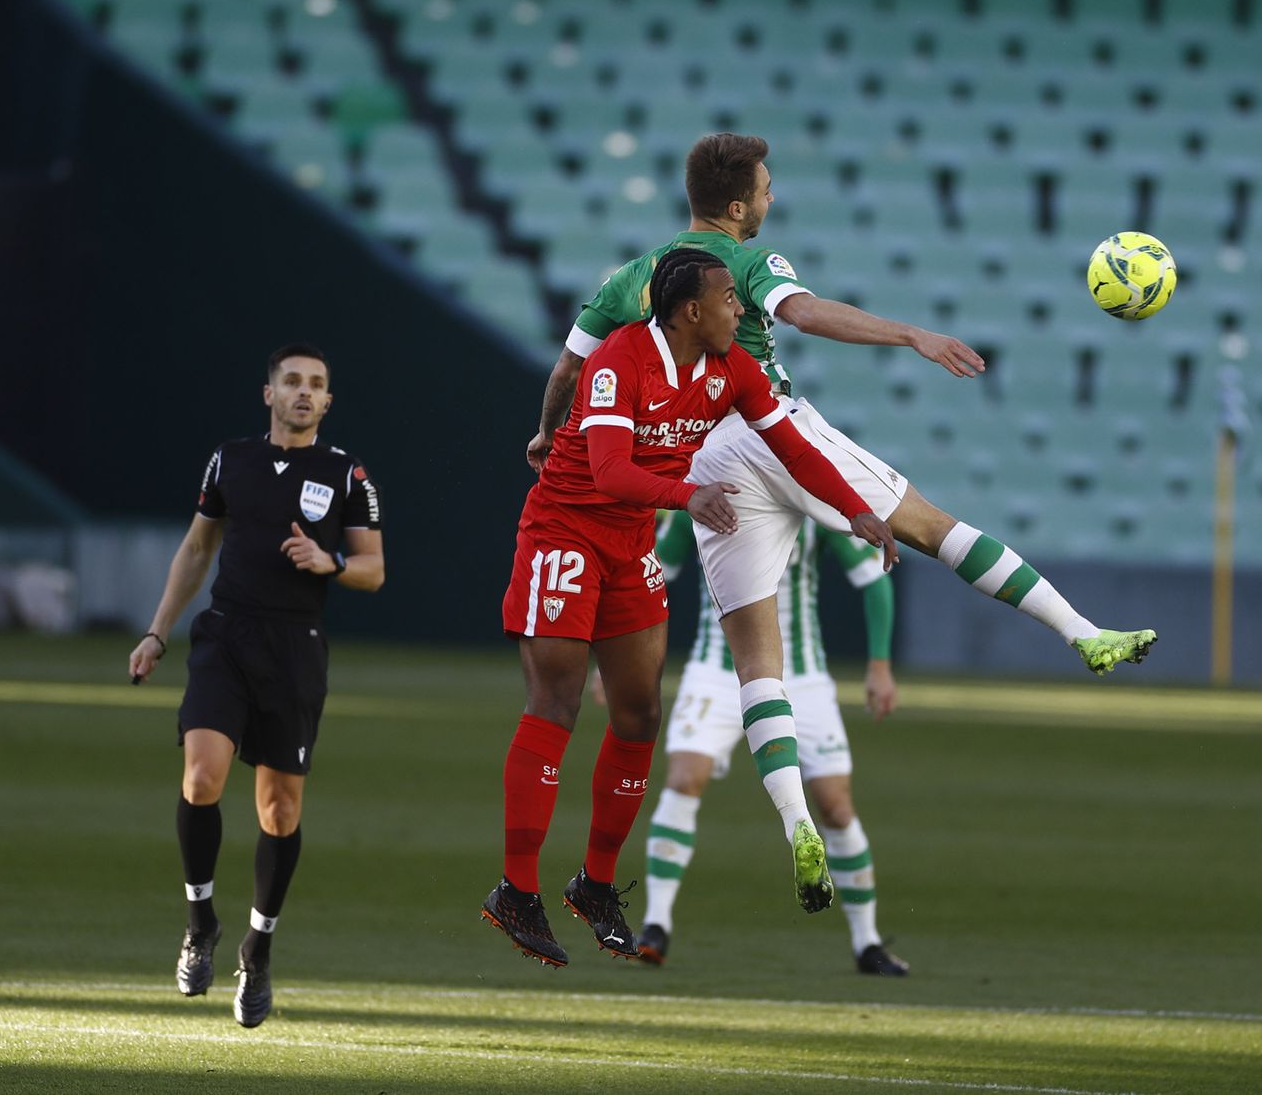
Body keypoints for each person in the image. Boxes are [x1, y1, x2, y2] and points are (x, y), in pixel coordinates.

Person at [524, 135, 1155, 890]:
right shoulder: (745, 267)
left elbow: (569, 364)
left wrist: (545, 432)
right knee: (933, 525)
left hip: (706, 463)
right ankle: (1084, 634)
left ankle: (797, 825)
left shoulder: (634, 275)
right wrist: (911, 333)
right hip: (768, 428)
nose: (770, 198)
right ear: (735, 206)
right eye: (764, 188)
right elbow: (807, 313)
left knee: (755, 653)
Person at [486, 249, 898, 968]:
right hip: (567, 528)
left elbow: (792, 447)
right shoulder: (619, 359)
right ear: (690, 311)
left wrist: (856, 509)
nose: (741, 309)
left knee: (640, 713)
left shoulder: (733, 366)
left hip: (630, 540)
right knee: (556, 700)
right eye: (729, 299)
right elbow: (611, 470)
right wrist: (688, 495)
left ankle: (596, 882)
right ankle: (518, 889)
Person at [128, 343, 384, 1028]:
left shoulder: (346, 472)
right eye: (292, 381)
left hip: (295, 649)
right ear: (268, 393)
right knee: (202, 777)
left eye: (317, 385)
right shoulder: (230, 459)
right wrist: (157, 632)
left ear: (328, 402)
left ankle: (258, 948)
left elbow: (373, 568)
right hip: (226, 637)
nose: (304, 392)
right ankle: (199, 922)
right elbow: (196, 547)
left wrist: (327, 560)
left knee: (278, 810)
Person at [636, 509, 910, 976]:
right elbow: (650, 579)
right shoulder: (702, 497)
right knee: (685, 777)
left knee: (836, 806)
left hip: (800, 676)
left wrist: (879, 664)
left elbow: (873, 579)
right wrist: (624, 657)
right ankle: (655, 925)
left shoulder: (812, 506)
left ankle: (867, 942)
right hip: (715, 670)